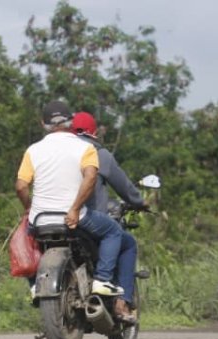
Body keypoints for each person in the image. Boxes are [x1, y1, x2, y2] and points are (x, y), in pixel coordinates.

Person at [15, 101, 123, 297]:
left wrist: (29, 208)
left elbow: (21, 186)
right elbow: (90, 177)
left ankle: (35, 285)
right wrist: (75, 208)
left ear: (43, 123)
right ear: (71, 121)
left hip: (40, 220)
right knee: (114, 231)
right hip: (75, 217)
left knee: (26, 243)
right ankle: (102, 280)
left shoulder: (33, 150)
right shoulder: (85, 148)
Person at [72, 111, 144, 323]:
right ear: (93, 132)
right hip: (86, 219)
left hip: (55, 216)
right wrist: (140, 201)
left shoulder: (60, 151)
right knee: (127, 242)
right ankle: (121, 301)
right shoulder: (99, 154)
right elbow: (124, 187)